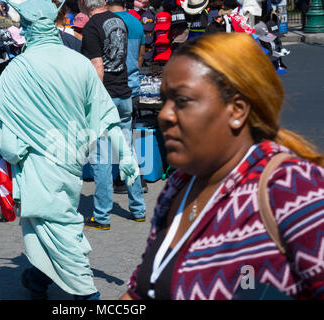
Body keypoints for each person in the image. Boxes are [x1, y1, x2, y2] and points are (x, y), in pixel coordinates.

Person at [121, 33, 324, 300]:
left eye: (181, 101)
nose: (164, 114)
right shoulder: (179, 185)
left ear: (237, 110)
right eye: (164, 100)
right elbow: (140, 291)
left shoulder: (292, 187)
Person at [0, 0, 139, 300]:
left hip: (39, 166)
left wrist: (10, 142)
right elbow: (107, 115)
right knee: (54, 223)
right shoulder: (78, 63)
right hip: (70, 161)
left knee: (58, 228)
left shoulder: (18, 68)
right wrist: (127, 155)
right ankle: (37, 279)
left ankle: (86, 295)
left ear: (28, 28)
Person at [79, 0, 146, 230]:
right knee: (127, 152)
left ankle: (101, 216)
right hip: (125, 93)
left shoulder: (91, 27)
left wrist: (93, 102)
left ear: (85, 4)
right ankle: (138, 209)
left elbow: (98, 66)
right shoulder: (120, 21)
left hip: (105, 97)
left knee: (102, 159)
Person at [107, 0, 148, 194]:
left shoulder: (107, 21)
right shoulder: (136, 22)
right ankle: (135, 177)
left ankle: (127, 179)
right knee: (128, 134)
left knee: (114, 137)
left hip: (114, 85)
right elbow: (141, 55)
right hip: (132, 85)